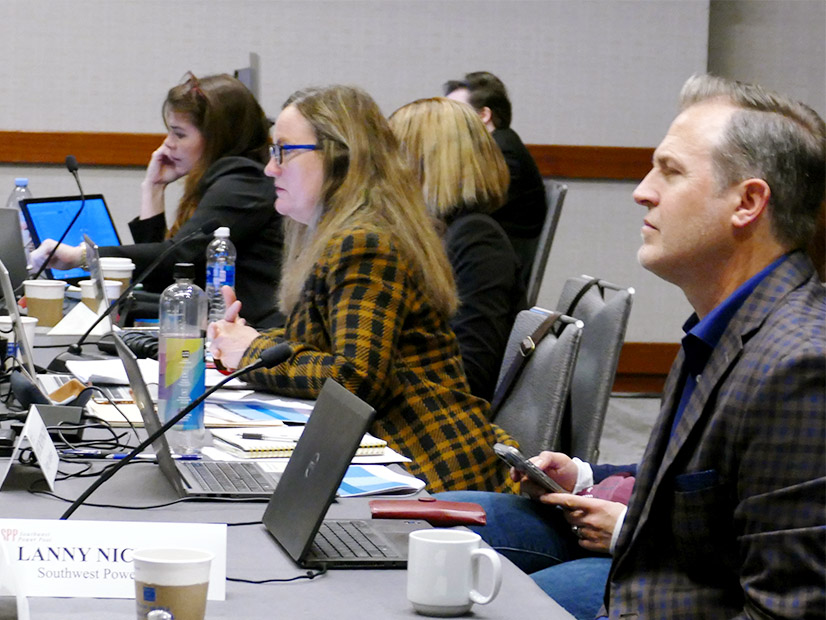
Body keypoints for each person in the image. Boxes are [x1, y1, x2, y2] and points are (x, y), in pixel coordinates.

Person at [440, 73, 826, 619]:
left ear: (747, 202)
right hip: (650, 575)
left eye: (670, 171)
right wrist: (589, 478)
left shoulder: (800, 367)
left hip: (664, 594)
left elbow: (785, 612)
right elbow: (695, 481)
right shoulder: (723, 324)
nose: (642, 190)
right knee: (439, 527)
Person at [207, 85, 517, 493]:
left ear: (341, 157)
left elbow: (356, 379)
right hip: (396, 456)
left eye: (284, 151)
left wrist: (252, 351)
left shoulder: (364, 243)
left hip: (430, 473)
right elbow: (326, 346)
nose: (270, 169)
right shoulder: (344, 235)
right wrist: (249, 343)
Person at [30, 73, 284, 327]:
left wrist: (84, 256)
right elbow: (159, 277)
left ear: (218, 138)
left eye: (179, 134)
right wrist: (153, 188)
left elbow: (179, 254)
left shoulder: (243, 183)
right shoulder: (230, 180)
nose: (167, 144)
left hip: (258, 332)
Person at [388, 97, 526, 402]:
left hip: (450, 418)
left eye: (395, 154)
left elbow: (471, 375)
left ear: (429, 164)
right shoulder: (438, 235)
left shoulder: (477, 240)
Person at [444, 71, 547, 287]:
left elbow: (466, 209)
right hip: (482, 260)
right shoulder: (493, 146)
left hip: (491, 273)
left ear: (484, 115)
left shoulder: (502, 152)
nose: (443, 121)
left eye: (453, 112)